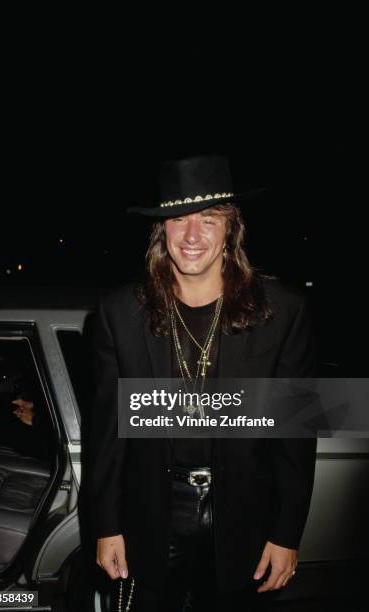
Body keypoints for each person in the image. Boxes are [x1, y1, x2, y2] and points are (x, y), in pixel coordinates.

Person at [87, 155, 317, 611]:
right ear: (161, 230)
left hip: (246, 516)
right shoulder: (118, 314)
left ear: (231, 229)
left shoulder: (284, 313)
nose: (192, 236)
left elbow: (295, 435)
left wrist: (286, 532)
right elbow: (107, 433)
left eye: (208, 220)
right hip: (151, 514)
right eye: (179, 219)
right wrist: (105, 526)